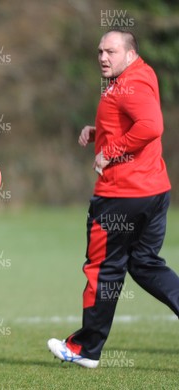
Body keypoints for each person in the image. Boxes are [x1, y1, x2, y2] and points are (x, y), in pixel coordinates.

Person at [47, 29, 177, 368]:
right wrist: (100, 133)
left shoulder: (131, 83)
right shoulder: (140, 74)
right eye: (100, 51)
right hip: (153, 191)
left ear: (130, 52)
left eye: (111, 51)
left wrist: (112, 150)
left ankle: (85, 349)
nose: (103, 57)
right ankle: (88, 347)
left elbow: (151, 125)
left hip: (122, 196)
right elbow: (134, 120)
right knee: (145, 264)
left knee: (103, 270)